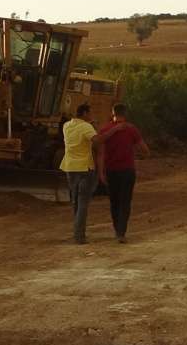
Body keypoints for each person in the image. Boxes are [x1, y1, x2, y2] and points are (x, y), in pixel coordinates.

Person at [93, 103, 150, 243]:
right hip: (127, 170)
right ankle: (121, 232)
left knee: (114, 202)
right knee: (125, 201)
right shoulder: (132, 129)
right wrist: (143, 154)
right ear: (125, 113)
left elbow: (100, 153)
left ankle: (116, 229)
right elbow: (144, 149)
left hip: (111, 171)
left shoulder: (105, 129)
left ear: (113, 113)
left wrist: (100, 172)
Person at [60, 103, 102, 244]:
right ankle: (79, 236)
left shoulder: (66, 126)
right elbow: (96, 141)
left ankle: (77, 232)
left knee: (76, 202)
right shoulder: (86, 127)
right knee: (83, 202)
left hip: (70, 166)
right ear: (84, 113)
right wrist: (96, 128)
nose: (91, 115)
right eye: (90, 112)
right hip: (85, 167)